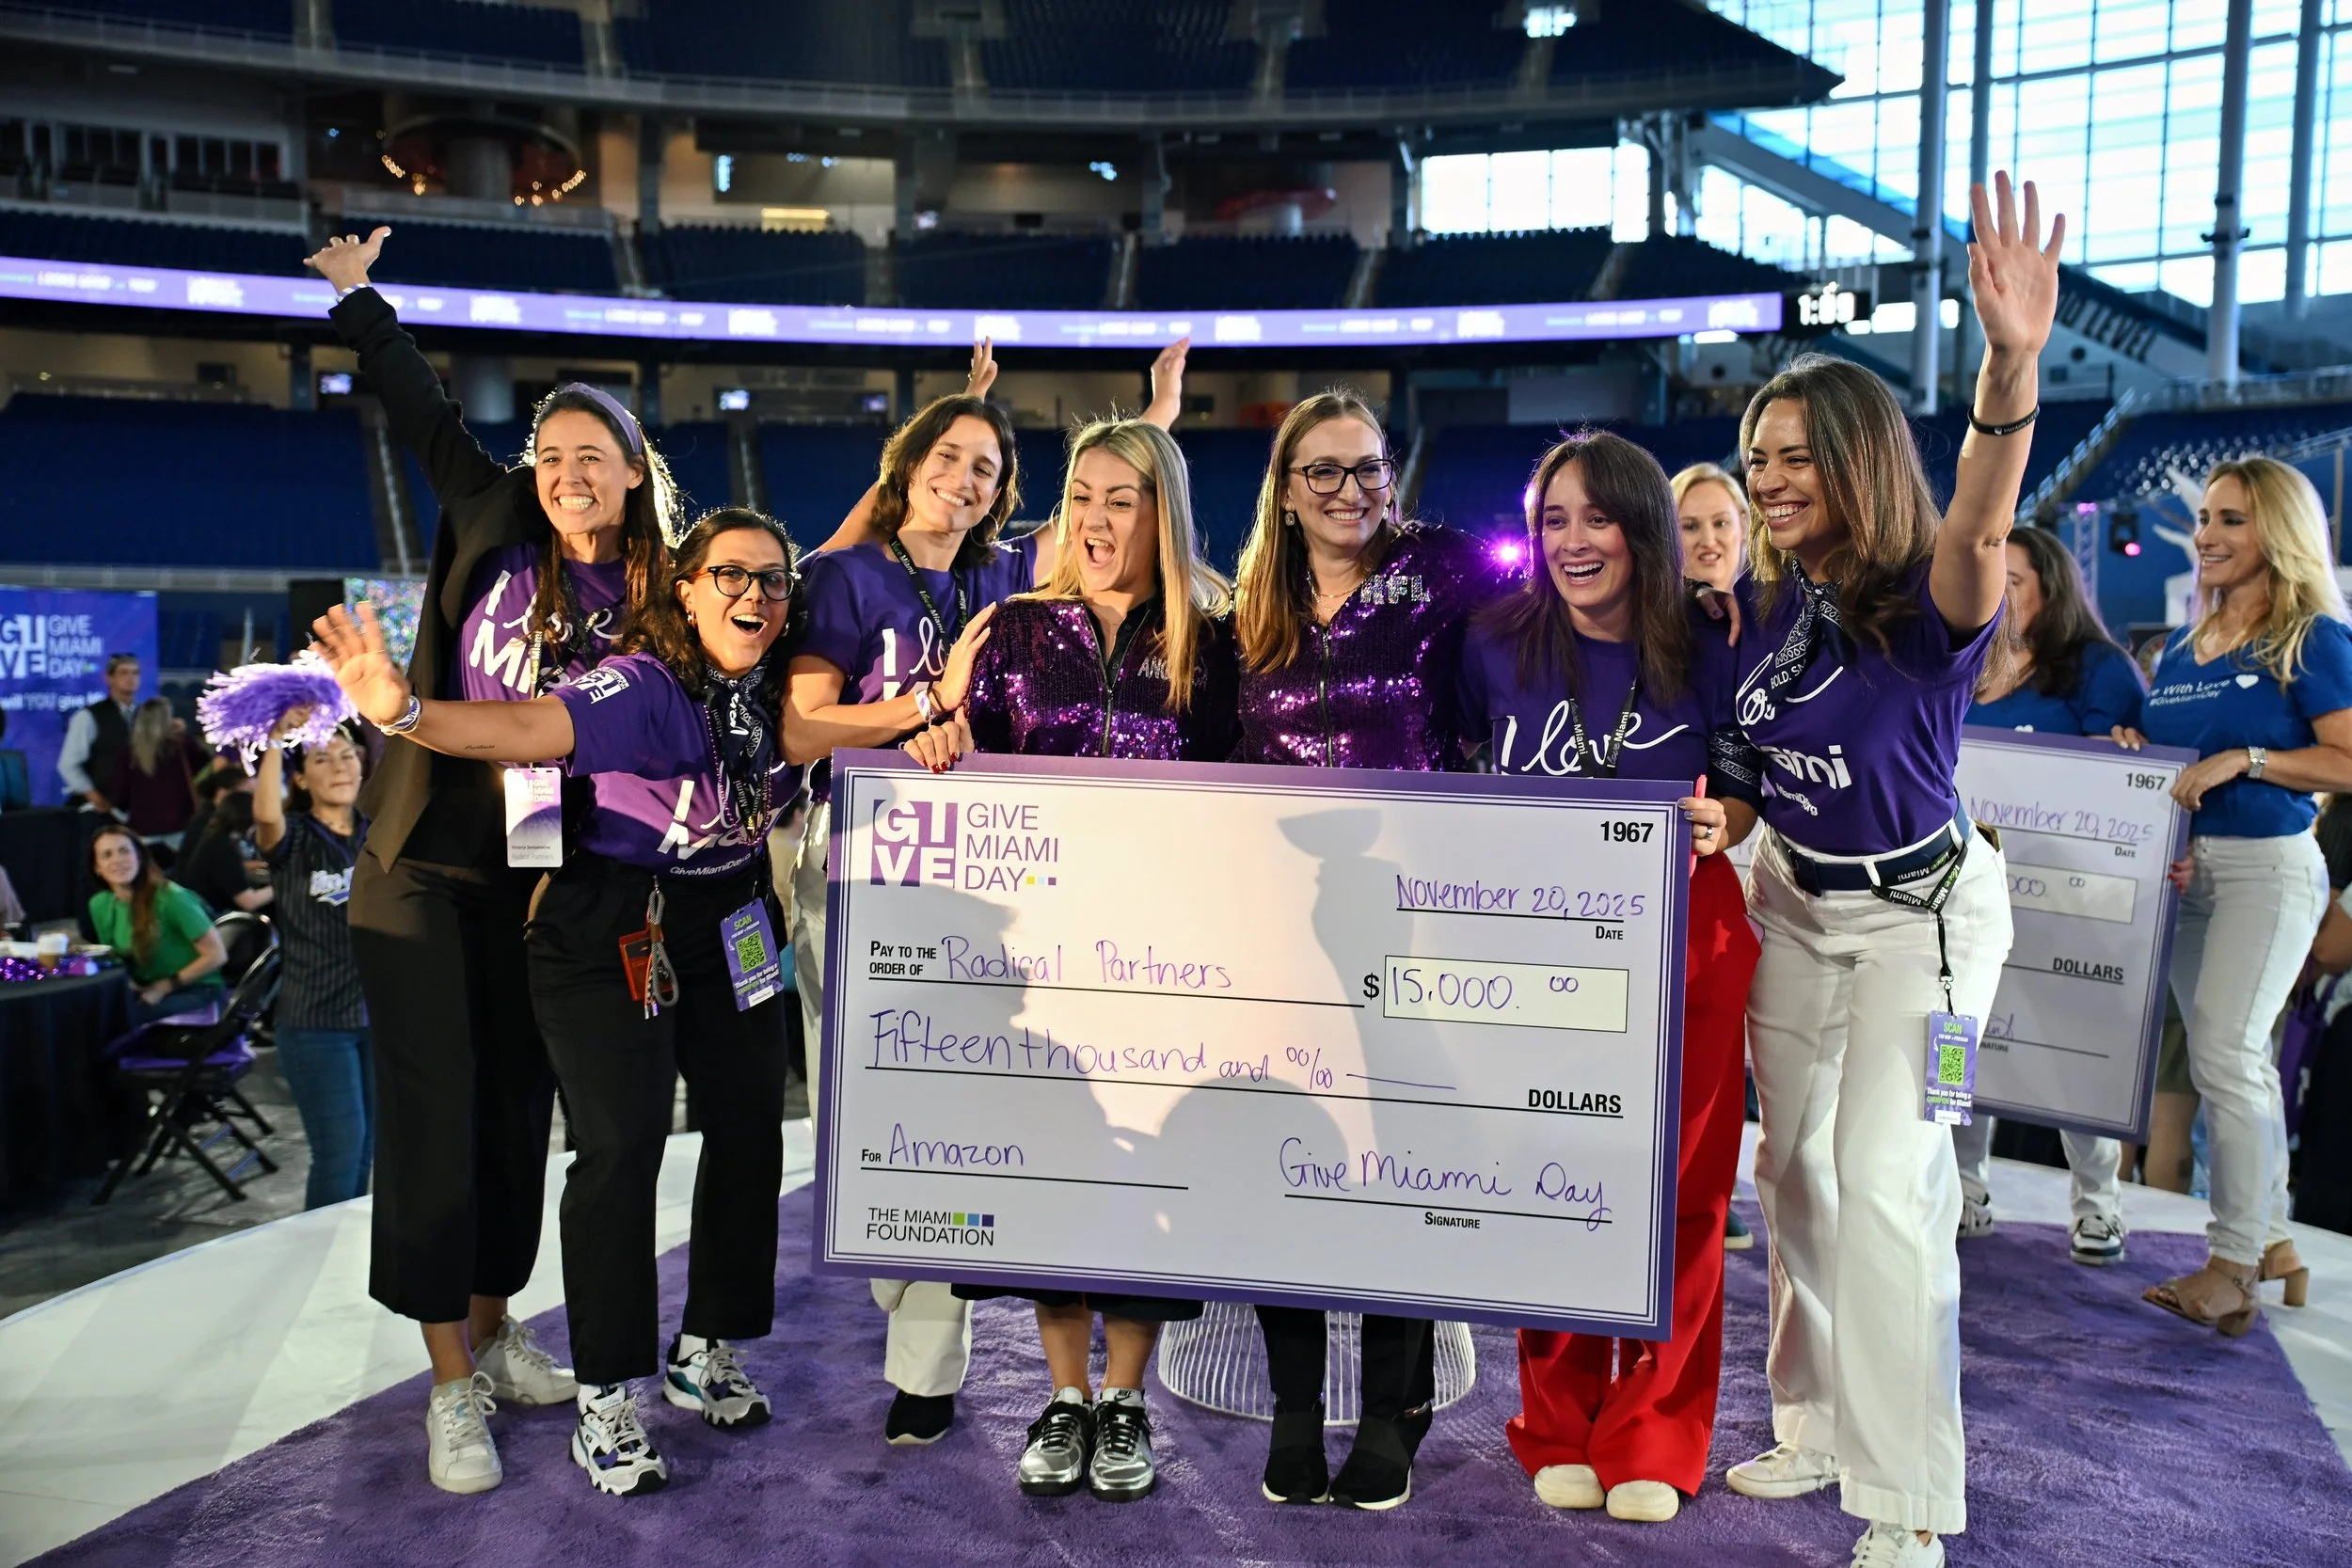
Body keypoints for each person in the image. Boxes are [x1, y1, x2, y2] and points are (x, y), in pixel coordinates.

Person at [314, 508, 803, 1499]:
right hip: (615, 914)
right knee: (620, 1144)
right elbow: (530, 727)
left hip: (736, 910)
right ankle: (607, 1392)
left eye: (771, 580)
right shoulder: (643, 680)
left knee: (753, 1120)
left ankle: (706, 1341)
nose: (752, 594)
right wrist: (405, 710)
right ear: (686, 586)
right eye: (729, 576)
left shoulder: (789, 681)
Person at [1717, 173, 2058, 1568]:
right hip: (1798, 908)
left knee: (1891, 1170)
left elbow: (1984, 521)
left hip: (1931, 926)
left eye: (1795, 454)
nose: (1771, 480)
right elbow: (1742, 787)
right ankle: (1811, 1418)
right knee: (1792, 1172)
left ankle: (1909, 1494)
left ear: (1855, 456)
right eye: (1756, 459)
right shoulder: (1770, 606)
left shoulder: (1930, 598)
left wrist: (2009, 365)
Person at [308, 224, 674, 1493]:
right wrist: (360, 298)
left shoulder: (657, 590)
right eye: (553, 452)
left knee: (521, 1112)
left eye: (595, 455)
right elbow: (416, 400)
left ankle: (500, 1322)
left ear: (634, 474)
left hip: (545, 886)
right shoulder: (486, 509)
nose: (569, 470)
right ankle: (447, 1382)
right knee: (433, 1118)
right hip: (420, 868)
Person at [902, 418, 1238, 1502]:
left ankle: (1126, 1395)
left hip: (1164, 960)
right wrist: (938, 744)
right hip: (1040, 959)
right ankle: (1063, 1394)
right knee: (1052, 1177)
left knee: (1138, 1176)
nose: (1094, 520)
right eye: (1082, 495)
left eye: (1122, 500)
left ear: (1163, 513)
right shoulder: (1010, 631)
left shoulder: (1215, 637)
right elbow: (969, 761)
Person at [1455, 432, 1761, 1525]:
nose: (1572, 541)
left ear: (1642, 524)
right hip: (1538, 953)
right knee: (1555, 1186)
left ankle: (1656, 1427)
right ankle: (1557, 1416)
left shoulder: (1716, 639)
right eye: (1551, 520)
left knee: (1680, 1196)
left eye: (1595, 517)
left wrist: (1727, 816)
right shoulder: (1492, 640)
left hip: (1690, 945)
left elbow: (1742, 784)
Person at [1231, 388, 1510, 1510]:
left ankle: (1395, 1408)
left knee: (1400, 1156)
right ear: (1286, 491)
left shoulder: (1451, 567)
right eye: (1325, 473)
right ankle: (1297, 1403)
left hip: (1413, 910)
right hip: (1273, 917)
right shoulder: (1243, 601)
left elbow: (1580, 617)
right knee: (1286, 1155)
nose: (1352, 492)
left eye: (1369, 468)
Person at [780, 390, 1033, 1446]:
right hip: (844, 863)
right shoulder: (843, 577)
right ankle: (905, 1266)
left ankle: (927, 1369)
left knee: (951, 1117)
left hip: (973, 873)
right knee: (858, 1112)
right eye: (947, 455)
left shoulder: (1009, 578)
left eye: (984, 466)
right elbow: (800, 729)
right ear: (905, 465)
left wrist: (1158, 408)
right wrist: (919, 712)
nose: (963, 478)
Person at [2117, 455, 2352, 1333]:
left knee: (2226, 1053)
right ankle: (2277, 1238)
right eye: (2206, 518)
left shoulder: (2312, 637)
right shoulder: (2181, 646)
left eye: (2232, 520)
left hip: (2269, 867)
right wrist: (2131, 749)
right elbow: (2175, 759)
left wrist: (2247, 759)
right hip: (2192, 875)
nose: (2208, 535)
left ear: (2278, 534)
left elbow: (2347, 759)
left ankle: (2234, 1261)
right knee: (2225, 1059)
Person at [1953, 524, 2146, 1265]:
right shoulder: (1961, 666)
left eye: (2015, 580)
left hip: (2070, 902)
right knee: (1964, 1039)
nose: (1998, 594)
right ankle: (1965, 1189)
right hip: (1968, 892)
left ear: (2053, 589)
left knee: (2069, 1045)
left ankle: (2098, 1205)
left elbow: (2135, 776)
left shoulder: (2097, 668)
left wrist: (2119, 758)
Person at [251, 715, 373, 1211]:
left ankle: (348, 1269)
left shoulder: (376, 832)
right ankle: (317, 1268)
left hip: (374, 1019)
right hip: (315, 1023)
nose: (339, 767)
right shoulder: (295, 838)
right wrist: (278, 741)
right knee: (339, 1156)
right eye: (321, 759)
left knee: (367, 1153)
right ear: (301, 778)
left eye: (347, 756)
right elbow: (264, 817)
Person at [87, 822, 229, 1024]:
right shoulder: (99, 904)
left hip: (197, 990)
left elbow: (217, 955)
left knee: (119, 1021)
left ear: (139, 856)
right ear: (97, 868)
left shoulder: (172, 897)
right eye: (107, 855)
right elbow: (115, 961)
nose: (117, 860)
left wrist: (164, 987)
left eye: (124, 851)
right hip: (145, 988)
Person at [107, 697, 207, 850]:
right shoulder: (182, 746)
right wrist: (186, 736)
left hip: (143, 829)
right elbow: (205, 770)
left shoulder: (129, 754)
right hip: (181, 827)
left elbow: (118, 796)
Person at [57, 652, 141, 811]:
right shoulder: (88, 716)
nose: (131, 678)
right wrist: (94, 796)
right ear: (109, 679)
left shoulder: (145, 715)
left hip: (137, 806)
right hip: (99, 805)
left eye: (135, 673)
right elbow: (68, 764)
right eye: (123, 673)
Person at [177, 791, 274, 915]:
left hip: (202, 908)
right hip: (215, 916)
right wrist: (282, 887)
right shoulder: (223, 848)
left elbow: (231, 869)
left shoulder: (214, 835)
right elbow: (249, 902)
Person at [1672, 462, 1749, 596]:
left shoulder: (1781, 612)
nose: (1708, 541)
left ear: (1744, 526)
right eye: (1690, 526)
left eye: (1720, 523)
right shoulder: (1648, 615)